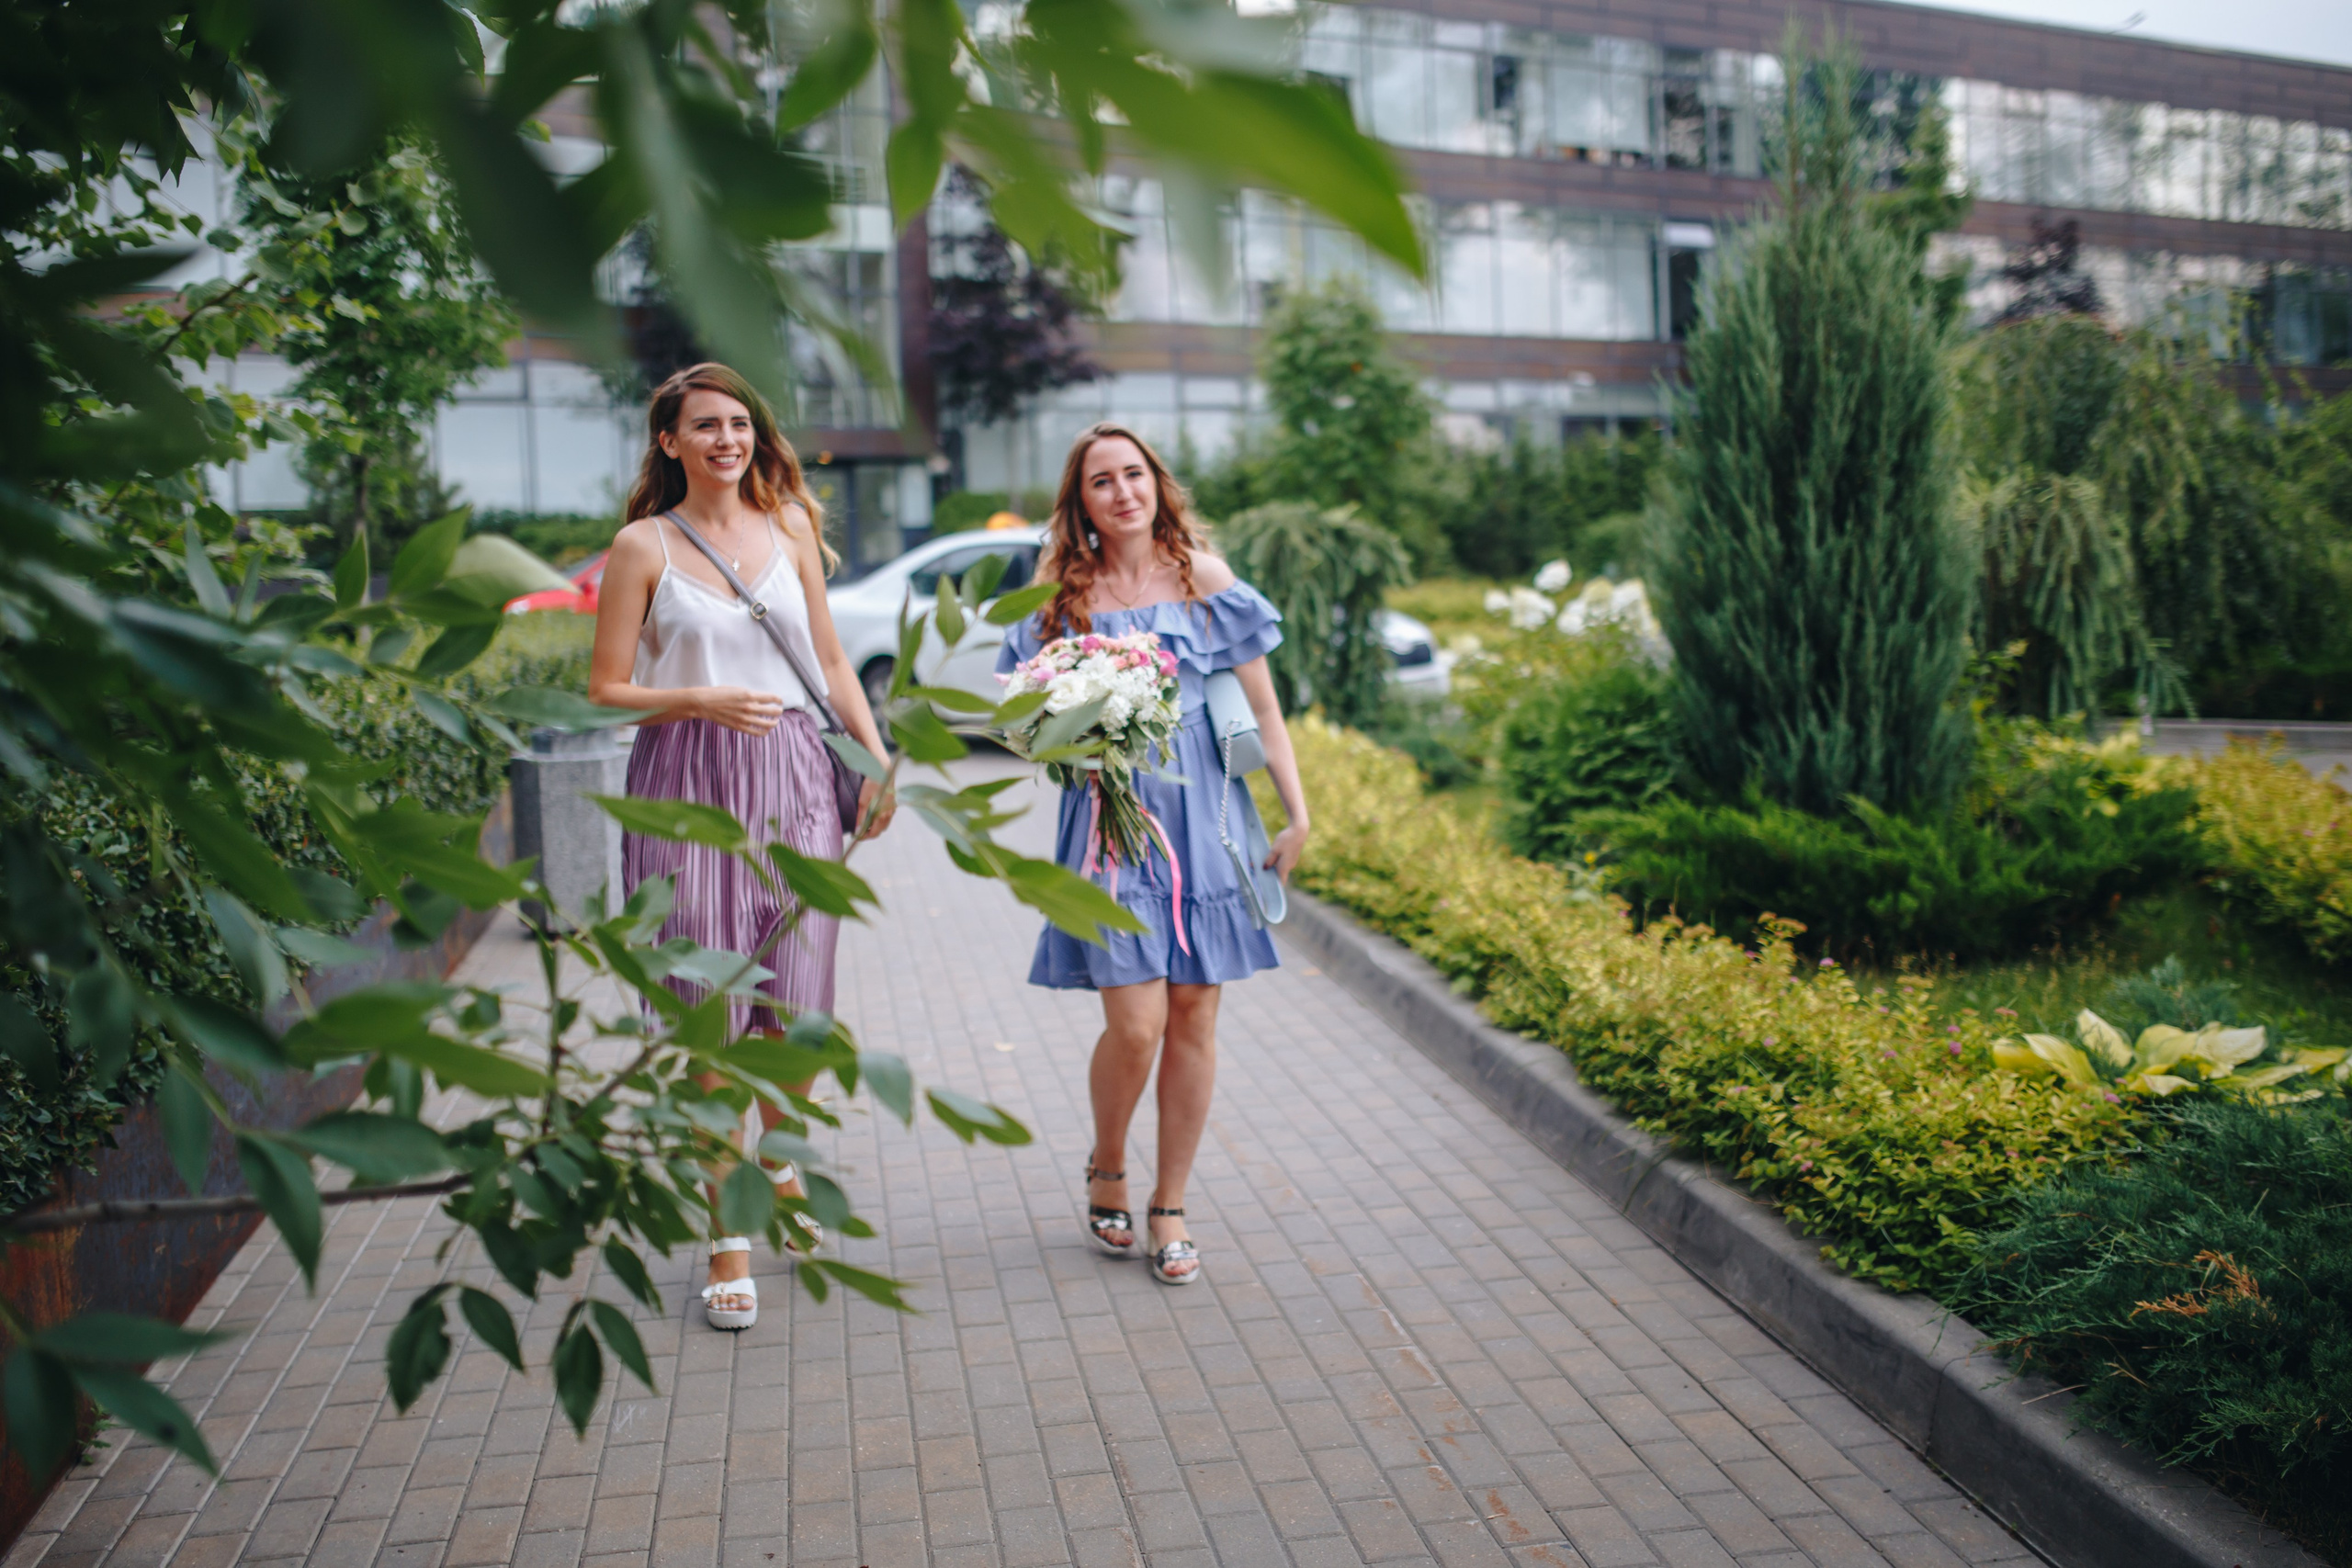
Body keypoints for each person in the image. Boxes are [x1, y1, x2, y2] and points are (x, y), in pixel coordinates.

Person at [587, 362, 894, 1330]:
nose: (727, 439)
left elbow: (832, 661)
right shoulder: (643, 545)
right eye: (706, 426)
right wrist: (696, 696)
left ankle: (779, 1159)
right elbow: (603, 688)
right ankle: (726, 1236)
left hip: (799, 778)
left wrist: (876, 758)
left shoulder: (793, 526)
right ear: (669, 442)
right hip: (686, 786)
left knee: (797, 1008)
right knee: (710, 1013)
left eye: (740, 423)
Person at [998, 422, 1310, 1285]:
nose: (1122, 491)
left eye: (1134, 474)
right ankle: (1107, 1161)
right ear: (1082, 502)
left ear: (1156, 484)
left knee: (1194, 1015)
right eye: (1102, 481)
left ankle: (1169, 1204)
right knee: (1134, 1025)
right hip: (1108, 824)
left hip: (1207, 821)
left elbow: (1267, 711)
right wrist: (1070, 727)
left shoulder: (1205, 581)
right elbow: (1022, 724)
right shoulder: (1061, 596)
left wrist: (1297, 814)